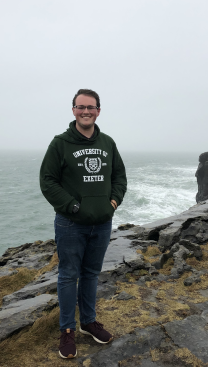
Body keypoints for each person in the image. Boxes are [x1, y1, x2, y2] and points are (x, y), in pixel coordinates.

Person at [40, 89, 127, 359]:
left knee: (90, 274)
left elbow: (119, 177)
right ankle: (66, 331)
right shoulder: (60, 144)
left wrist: (111, 203)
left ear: (98, 110)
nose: (85, 111)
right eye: (80, 107)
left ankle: (88, 321)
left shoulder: (108, 143)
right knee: (68, 276)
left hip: (101, 223)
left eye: (90, 107)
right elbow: (48, 181)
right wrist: (73, 206)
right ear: (74, 110)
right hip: (70, 224)